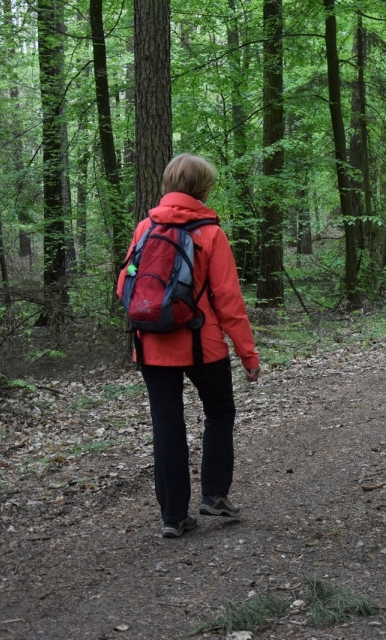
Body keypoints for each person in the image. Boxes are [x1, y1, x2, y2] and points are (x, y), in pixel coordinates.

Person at [116, 153, 260, 539]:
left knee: (166, 425)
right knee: (219, 412)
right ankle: (214, 495)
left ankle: (173, 517)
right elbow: (229, 301)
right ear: (204, 187)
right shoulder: (210, 233)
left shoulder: (145, 227)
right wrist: (248, 354)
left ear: (168, 184)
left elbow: (125, 283)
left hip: (151, 344)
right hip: (202, 344)